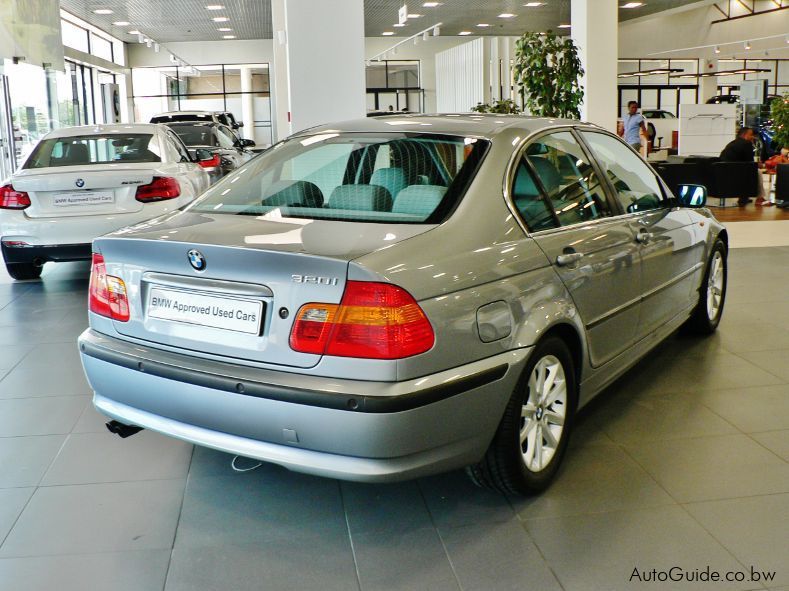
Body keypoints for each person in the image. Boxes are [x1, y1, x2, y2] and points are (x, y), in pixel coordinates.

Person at [719, 127, 769, 206]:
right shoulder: (746, 143)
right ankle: (760, 198)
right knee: (757, 172)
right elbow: (750, 163)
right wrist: (760, 165)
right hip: (734, 172)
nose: (753, 137)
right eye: (751, 135)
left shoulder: (732, 143)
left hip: (724, 171)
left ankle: (744, 197)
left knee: (747, 171)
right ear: (745, 135)